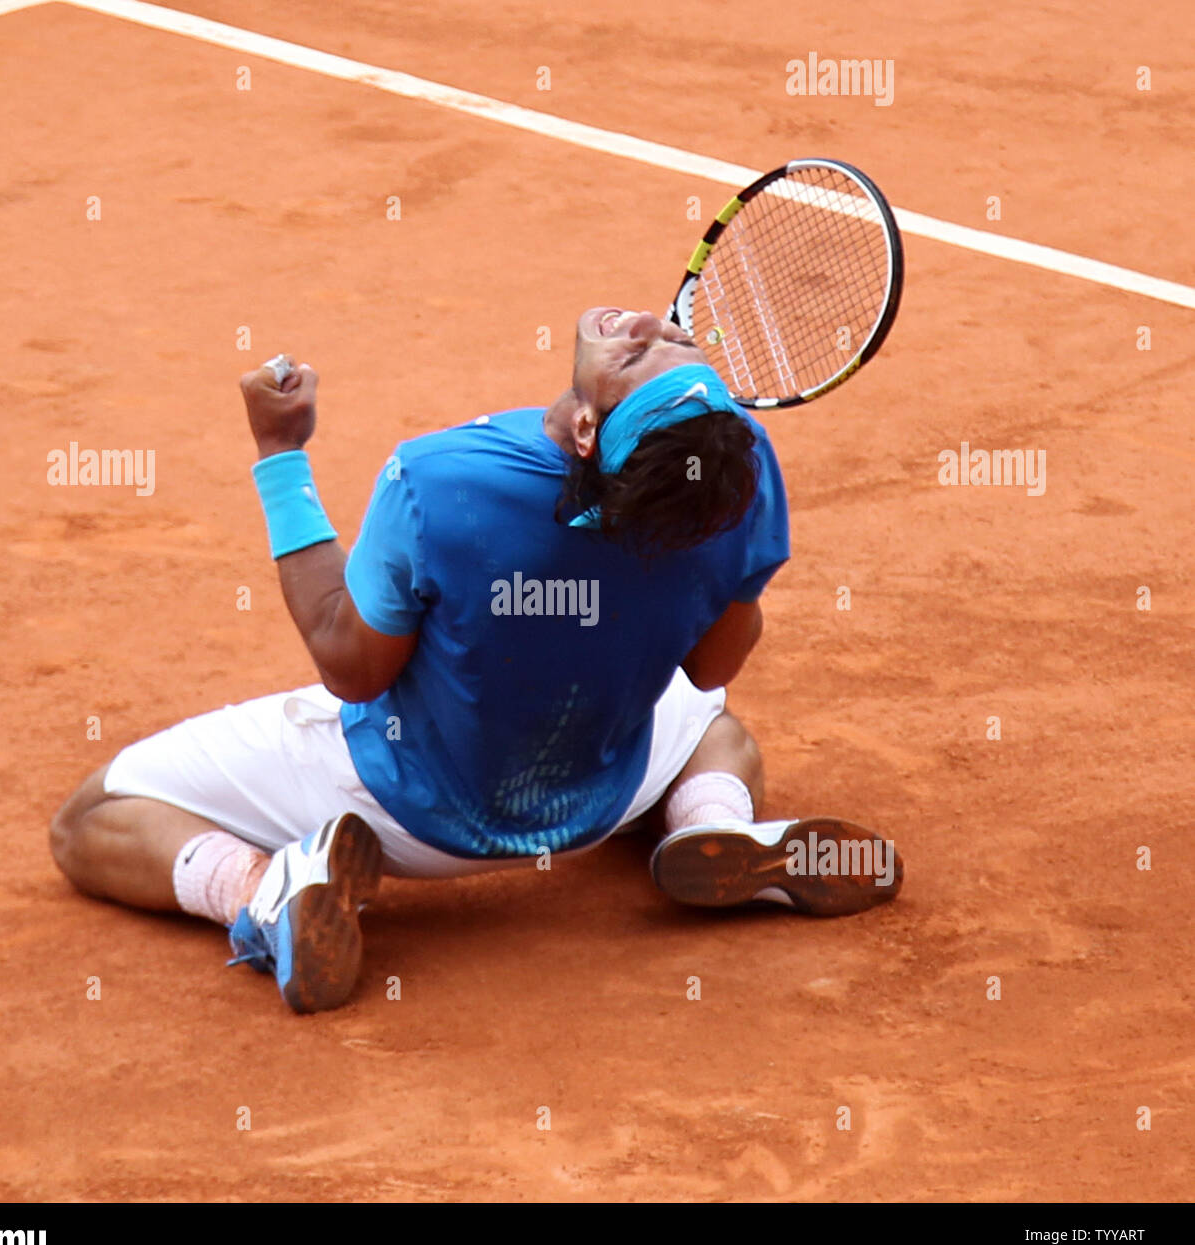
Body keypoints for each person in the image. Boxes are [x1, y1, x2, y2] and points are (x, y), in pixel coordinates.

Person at [49, 307, 901, 1013]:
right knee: (719, 732)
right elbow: (711, 666)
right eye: (665, 338)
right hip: (603, 793)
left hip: (405, 813)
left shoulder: (439, 478)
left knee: (92, 818)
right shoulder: (737, 473)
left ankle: (263, 890)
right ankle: (713, 825)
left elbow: (350, 667)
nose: (641, 322)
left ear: (581, 429)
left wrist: (280, 454)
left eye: (640, 352)